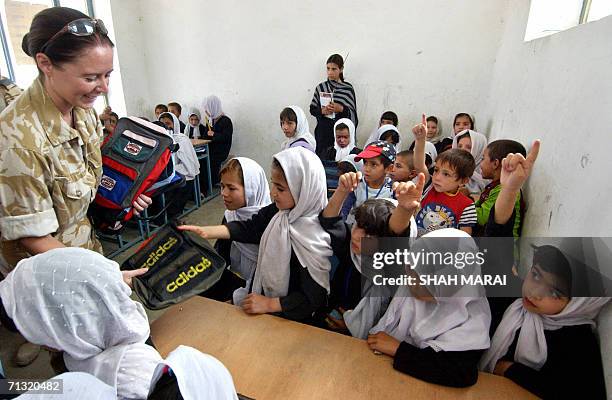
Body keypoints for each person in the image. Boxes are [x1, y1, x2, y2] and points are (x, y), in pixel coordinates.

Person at [0, 7, 150, 365]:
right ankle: (44, 338)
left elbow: (84, 181)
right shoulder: (17, 140)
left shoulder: (81, 109)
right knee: (78, 353)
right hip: (45, 265)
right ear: (45, 64)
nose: (103, 87)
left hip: (82, 246)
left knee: (99, 340)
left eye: (108, 74)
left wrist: (124, 198)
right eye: (91, 77)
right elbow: (33, 238)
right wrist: (103, 278)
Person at [180, 147, 332, 324]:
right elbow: (250, 227)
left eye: (280, 188)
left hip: (293, 318)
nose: (272, 192)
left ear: (304, 189)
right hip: (263, 304)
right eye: (272, 184)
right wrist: (205, 232)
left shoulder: (315, 236)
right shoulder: (279, 213)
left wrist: (270, 304)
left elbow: (313, 297)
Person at [309, 54, 358, 157]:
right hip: (323, 132)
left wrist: (340, 108)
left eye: (334, 69)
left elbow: (352, 113)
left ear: (341, 69)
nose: (330, 72)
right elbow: (312, 109)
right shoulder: (321, 87)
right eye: (328, 69)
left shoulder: (347, 89)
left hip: (340, 133)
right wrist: (323, 111)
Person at [203, 95, 233, 187]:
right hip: (211, 149)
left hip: (221, 151)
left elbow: (226, 137)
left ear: (213, 107)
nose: (205, 111)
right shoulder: (211, 120)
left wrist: (214, 134)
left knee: (206, 160)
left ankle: (208, 185)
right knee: (199, 159)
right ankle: (204, 186)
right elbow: (205, 137)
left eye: (207, 108)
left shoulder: (226, 120)